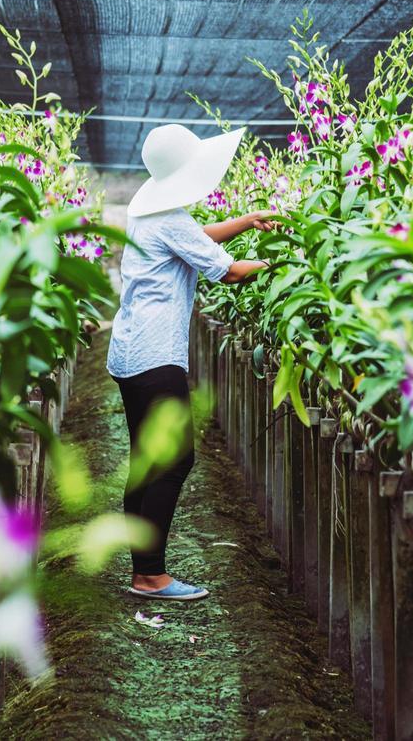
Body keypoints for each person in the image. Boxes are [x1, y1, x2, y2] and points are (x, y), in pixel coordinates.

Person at [107, 123, 274, 601]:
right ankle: (151, 575)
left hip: (130, 352)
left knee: (147, 461)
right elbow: (230, 271)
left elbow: (193, 237)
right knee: (175, 460)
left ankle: (144, 570)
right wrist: (288, 263)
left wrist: (244, 220)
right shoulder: (167, 219)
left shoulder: (149, 216)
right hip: (157, 356)